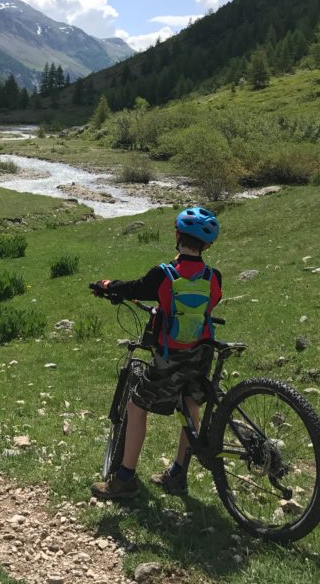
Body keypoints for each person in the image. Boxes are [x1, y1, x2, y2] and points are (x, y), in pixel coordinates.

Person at [89, 206, 223, 500]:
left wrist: (108, 286)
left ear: (177, 235)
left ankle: (124, 479)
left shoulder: (164, 274)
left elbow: (135, 288)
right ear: (208, 244)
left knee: (137, 408)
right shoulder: (214, 277)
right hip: (201, 353)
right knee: (190, 407)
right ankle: (177, 473)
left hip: (172, 355)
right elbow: (209, 305)